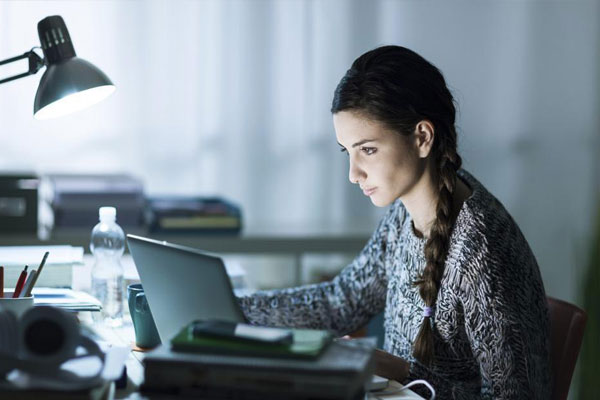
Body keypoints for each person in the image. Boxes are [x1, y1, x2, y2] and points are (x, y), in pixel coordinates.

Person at [237, 45, 551, 399]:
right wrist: (234, 308)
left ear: (422, 138)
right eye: (348, 151)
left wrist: (403, 372)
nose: (353, 174)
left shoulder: (482, 251)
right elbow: (341, 302)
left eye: (367, 150)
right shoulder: (408, 212)